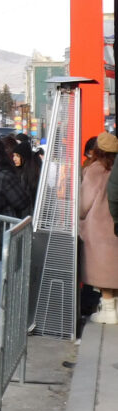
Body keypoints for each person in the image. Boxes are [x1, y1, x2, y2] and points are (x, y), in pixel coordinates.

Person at [81, 132, 118, 323]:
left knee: (104, 270)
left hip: (99, 229)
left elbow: (84, 202)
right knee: (114, 268)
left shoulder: (95, 169)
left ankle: (109, 309)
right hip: (115, 225)